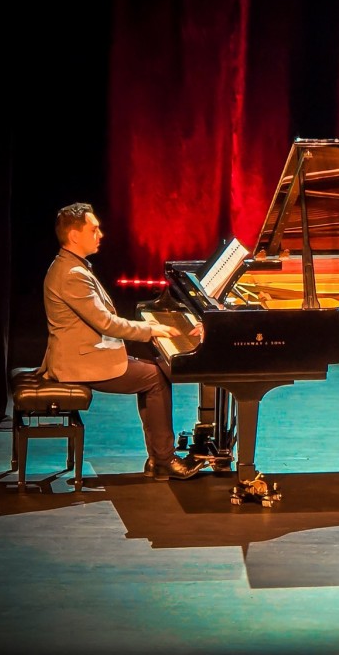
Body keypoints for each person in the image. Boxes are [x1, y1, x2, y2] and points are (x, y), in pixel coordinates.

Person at [40, 203, 203, 480]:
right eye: (94, 230)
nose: (100, 234)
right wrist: (151, 329)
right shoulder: (72, 274)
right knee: (155, 378)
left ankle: (158, 458)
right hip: (78, 363)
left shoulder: (71, 266)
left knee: (153, 372)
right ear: (75, 236)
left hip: (82, 354)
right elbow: (106, 323)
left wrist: (150, 329)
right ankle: (164, 459)